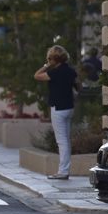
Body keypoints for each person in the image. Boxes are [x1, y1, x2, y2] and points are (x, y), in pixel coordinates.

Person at [34, 44, 78, 180]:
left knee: (62, 141)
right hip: (69, 107)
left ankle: (63, 171)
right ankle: (64, 169)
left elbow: (36, 75)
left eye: (49, 59)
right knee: (66, 140)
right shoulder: (71, 71)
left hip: (58, 109)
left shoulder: (53, 73)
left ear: (53, 59)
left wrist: (46, 65)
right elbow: (79, 86)